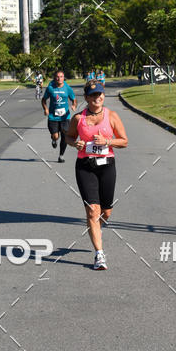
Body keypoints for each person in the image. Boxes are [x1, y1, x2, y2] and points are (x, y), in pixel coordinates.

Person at [66, 80, 128, 270]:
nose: (97, 98)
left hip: (107, 165)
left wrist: (107, 141)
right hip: (85, 166)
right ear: (86, 98)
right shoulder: (78, 119)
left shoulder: (112, 116)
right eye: (93, 95)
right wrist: (74, 143)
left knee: (106, 211)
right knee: (93, 210)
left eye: (100, 94)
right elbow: (69, 136)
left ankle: (96, 229)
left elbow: (124, 141)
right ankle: (99, 255)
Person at [42, 69, 76, 163]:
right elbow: (44, 100)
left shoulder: (67, 88)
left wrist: (73, 105)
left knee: (65, 136)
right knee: (56, 136)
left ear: (63, 77)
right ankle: (54, 140)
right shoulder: (50, 88)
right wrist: (45, 109)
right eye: (57, 77)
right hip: (53, 117)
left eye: (61, 77)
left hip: (65, 117)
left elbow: (73, 99)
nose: (59, 78)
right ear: (54, 78)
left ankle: (61, 156)